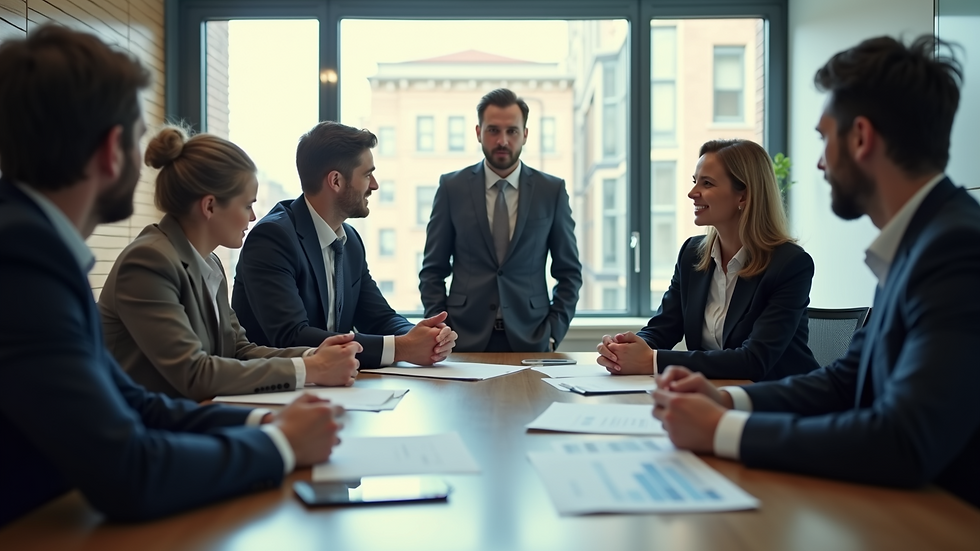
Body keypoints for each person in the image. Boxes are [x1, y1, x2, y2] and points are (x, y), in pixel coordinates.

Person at [0, 25, 343, 526]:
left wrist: (266, 420)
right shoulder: (23, 265)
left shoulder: (36, 249)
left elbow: (134, 403)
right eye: (138, 140)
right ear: (111, 150)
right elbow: (129, 472)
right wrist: (280, 444)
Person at [651, 35, 980, 507]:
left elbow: (903, 441)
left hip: (945, 519)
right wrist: (726, 400)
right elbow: (845, 380)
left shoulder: (956, 249)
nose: (821, 162)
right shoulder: (919, 241)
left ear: (861, 138)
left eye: (825, 138)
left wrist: (724, 430)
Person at [98, 127, 362, 402]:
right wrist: (311, 369)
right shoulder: (148, 261)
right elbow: (194, 373)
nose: (253, 217)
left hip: (194, 414)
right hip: (143, 423)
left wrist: (313, 355)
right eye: (247, 205)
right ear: (210, 206)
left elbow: (238, 350)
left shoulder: (209, 262)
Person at [232, 121, 457, 368]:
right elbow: (291, 337)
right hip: (277, 384)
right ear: (336, 181)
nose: (374, 185)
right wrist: (402, 348)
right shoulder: (273, 238)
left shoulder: (349, 242)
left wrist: (425, 337)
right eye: (367, 175)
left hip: (333, 382)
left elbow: (379, 318)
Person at [596, 139, 820, 382]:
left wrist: (651, 360)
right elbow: (663, 328)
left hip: (778, 397)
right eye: (695, 181)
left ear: (743, 196)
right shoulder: (692, 254)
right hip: (714, 393)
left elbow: (754, 360)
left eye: (707, 183)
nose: (692, 193)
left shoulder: (789, 264)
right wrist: (625, 349)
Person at [419, 88, 582, 352]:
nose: (503, 141)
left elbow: (569, 272)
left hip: (532, 338)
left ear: (525, 134)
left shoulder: (551, 191)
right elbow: (433, 270)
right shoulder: (452, 187)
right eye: (493, 130)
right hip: (463, 338)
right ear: (478, 132)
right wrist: (442, 329)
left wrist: (553, 332)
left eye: (512, 131)